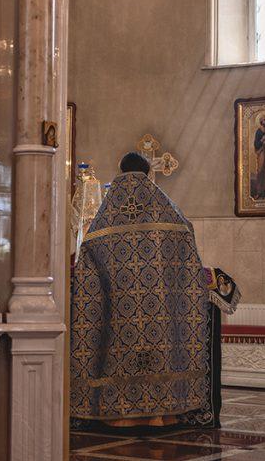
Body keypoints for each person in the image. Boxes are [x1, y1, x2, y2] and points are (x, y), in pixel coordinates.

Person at [70, 152, 228, 432]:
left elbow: (87, 266)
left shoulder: (105, 220)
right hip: (161, 315)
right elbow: (188, 261)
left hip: (120, 314)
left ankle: (119, 414)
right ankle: (163, 414)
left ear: (120, 171)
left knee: (119, 353)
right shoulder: (170, 216)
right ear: (147, 172)